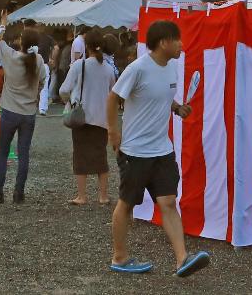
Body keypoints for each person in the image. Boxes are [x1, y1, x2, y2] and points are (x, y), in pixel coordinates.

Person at [108, 19, 210, 277]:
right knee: (126, 204)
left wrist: (176, 108)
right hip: (135, 151)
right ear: (164, 42)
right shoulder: (138, 68)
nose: (181, 45)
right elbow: (113, 97)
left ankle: (182, 259)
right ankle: (119, 257)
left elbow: (163, 96)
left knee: (168, 202)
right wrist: (113, 133)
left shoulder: (171, 68)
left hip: (162, 150)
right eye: (177, 40)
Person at [0, 20, 42, 204]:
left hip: (9, 109)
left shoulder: (10, 55)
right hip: (29, 112)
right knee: (23, 154)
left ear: (21, 41)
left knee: (2, 151)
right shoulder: (38, 60)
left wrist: (2, 24)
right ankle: (19, 193)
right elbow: (42, 81)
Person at [61, 29, 116, 205]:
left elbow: (63, 90)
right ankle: (103, 196)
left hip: (81, 118)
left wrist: (69, 102)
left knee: (80, 156)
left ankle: (82, 196)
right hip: (102, 119)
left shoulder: (79, 65)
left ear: (87, 46)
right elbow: (113, 94)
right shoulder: (108, 69)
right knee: (101, 158)